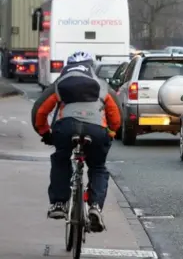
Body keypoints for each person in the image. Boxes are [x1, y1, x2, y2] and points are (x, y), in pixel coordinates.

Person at [31, 51, 122, 232]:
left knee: (61, 159)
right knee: (97, 167)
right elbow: (116, 114)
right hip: (96, 130)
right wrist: (111, 132)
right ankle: (95, 207)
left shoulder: (60, 83)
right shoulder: (102, 85)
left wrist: (45, 132)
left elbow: (39, 111)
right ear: (91, 67)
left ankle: (58, 203)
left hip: (66, 128)